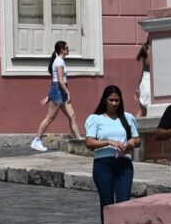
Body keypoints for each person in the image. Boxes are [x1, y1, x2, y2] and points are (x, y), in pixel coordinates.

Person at [83, 84, 140, 213]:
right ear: (105, 100)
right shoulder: (95, 119)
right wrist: (108, 142)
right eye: (111, 100)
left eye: (117, 100)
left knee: (124, 202)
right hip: (103, 164)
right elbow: (89, 143)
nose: (114, 103)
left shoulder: (128, 118)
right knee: (107, 202)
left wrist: (132, 141)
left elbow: (138, 140)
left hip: (124, 163)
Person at [30, 40, 75, 151]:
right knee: (50, 118)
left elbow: (55, 81)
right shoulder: (59, 61)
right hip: (60, 92)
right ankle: (36, 140)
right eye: (67, 48)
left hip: (60, 92)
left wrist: (48, 96)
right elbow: (59, 80)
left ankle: (78, 139)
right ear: (62, 50)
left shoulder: (60, 61)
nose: (69, 49)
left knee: (72, 116)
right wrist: (67, 92)